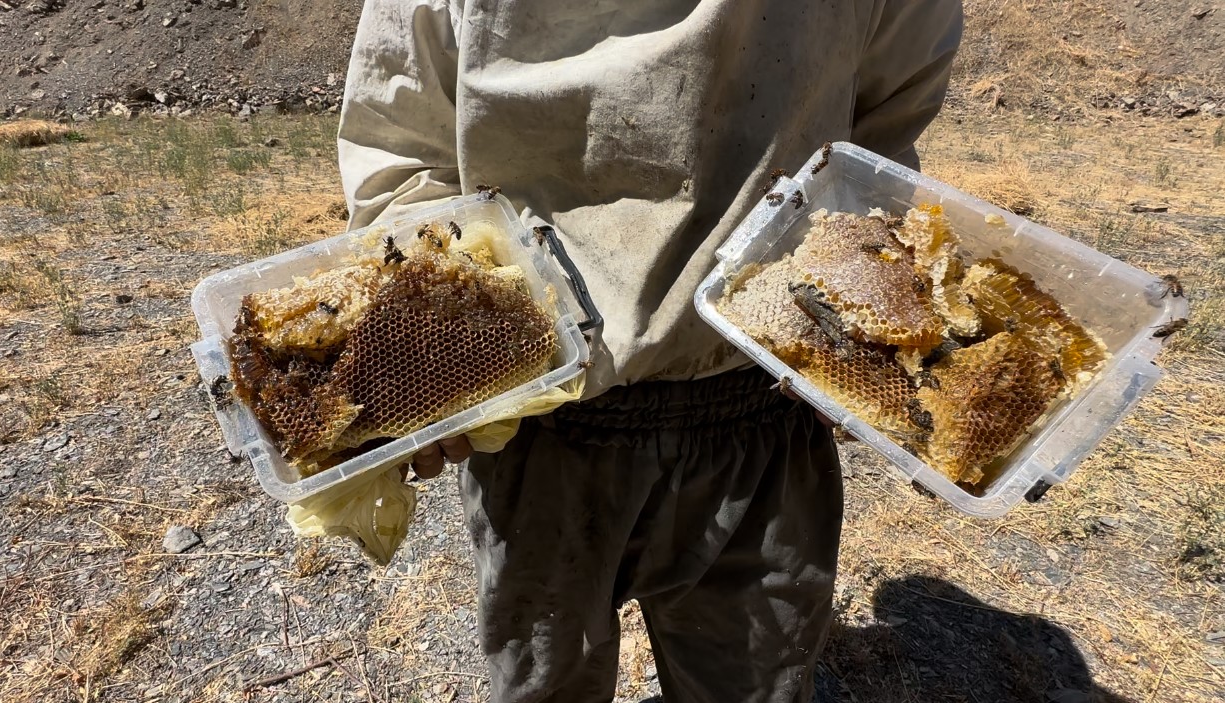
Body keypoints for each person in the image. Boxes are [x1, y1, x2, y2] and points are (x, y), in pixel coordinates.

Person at [337, 2, 963, 701]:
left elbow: (880, 134)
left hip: (759, 404)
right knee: (548, 684)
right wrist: (429, 360)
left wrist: (868, 327)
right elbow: (402, 150)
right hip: (542, 416)